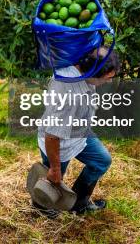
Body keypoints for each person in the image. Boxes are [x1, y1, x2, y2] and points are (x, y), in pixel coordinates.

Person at [35, 46, 120, 216]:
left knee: (101, 160)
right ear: (92, 72)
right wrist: (55, 167)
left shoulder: (81, 66)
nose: (109, 81)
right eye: (106, 78)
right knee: (53, 179)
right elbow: (52, 135)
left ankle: (79, 202)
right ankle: (41, 205)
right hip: (58, 143)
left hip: (80, 132)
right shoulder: (66, 91)